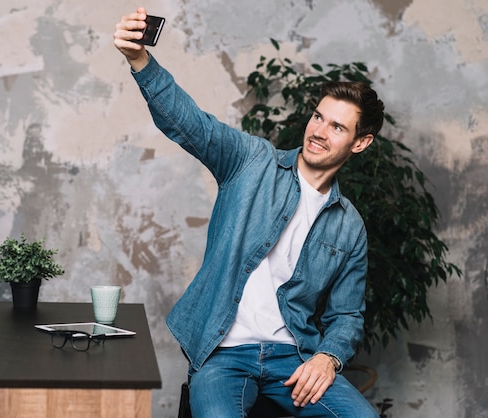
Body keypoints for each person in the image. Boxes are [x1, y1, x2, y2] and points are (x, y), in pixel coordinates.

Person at [114, 7, 383, 418]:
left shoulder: (349, 225)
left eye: (337, 127)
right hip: (223, 353)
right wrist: (139, 60)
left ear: (359, 144)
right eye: (318, 117)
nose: (318, 131)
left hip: (292, 360)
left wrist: (327, 358)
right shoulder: (252, 161)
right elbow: (190, 124)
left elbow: (347, 314)